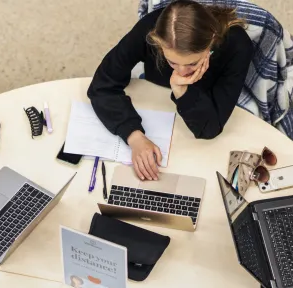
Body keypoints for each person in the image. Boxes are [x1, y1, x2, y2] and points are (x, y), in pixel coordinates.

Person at [87, 0, 253, 181]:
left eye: (192, 63)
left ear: (211, 42)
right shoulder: (149, 30)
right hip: (155, 99)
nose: (181, 72)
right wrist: (134, 136)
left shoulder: (238, 46)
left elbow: (210, 128)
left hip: (203, 105)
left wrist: (181, 89)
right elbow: (102, 85)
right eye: (172, 62)